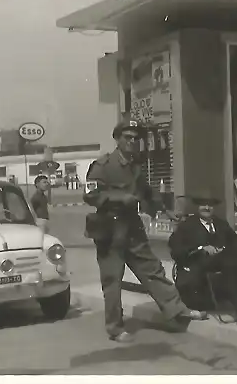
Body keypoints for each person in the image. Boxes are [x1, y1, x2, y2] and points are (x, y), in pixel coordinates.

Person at [83, 119, 206, 343]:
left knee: (152, 269)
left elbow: (148, 193)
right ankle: (115, 327)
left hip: (132, 227)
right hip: (110, 230)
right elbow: (90, 195)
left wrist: (165, 211)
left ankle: (177, 311)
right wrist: (120, 197)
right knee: (113, 280)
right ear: (117, 139)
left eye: (135, 138)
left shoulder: (136, 164)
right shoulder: (103, 165)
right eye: (127, 137)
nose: (132, 141)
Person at [169, 192, 237, 326]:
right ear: (198, 207)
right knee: (231, 259)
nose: (207, 208)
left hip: (222, 262)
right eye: (203, 204)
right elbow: (176, 248)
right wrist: (201, 248)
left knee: (233, 257)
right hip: (198, 264)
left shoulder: (221, 224)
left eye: (210, 205)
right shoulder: (187, 226)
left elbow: (235, 239)